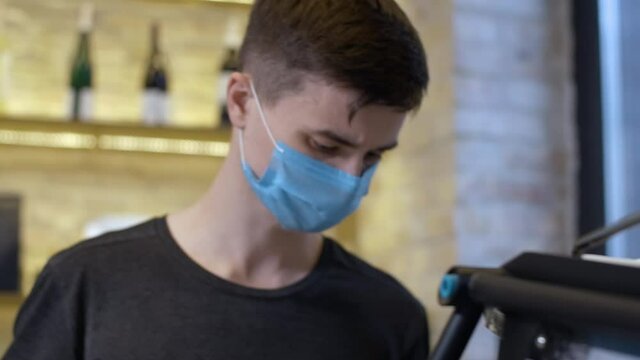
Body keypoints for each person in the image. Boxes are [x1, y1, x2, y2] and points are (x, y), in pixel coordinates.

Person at [3, 0, 429, 358]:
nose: (351, 178)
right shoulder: (85, 285)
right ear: (241, 102)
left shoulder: (390, 316)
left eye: (373, 155)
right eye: (324, 146)